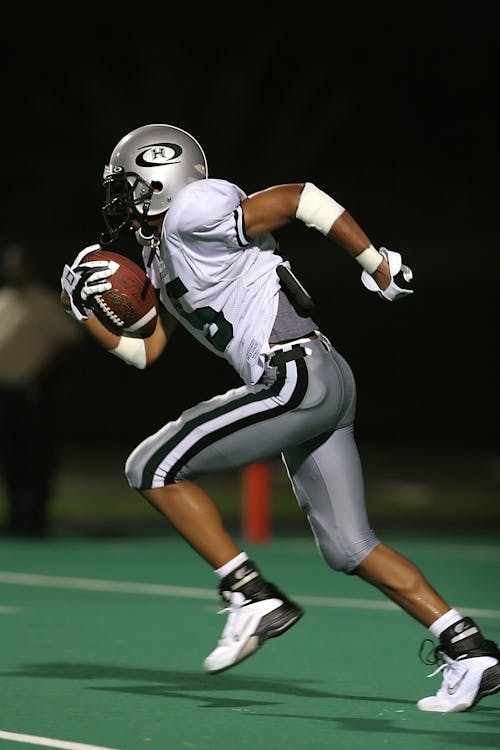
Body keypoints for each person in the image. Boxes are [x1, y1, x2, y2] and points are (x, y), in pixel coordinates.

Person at [60, 123, 499, 713]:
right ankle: (470, 651)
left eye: (129, 186)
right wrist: (84, 312)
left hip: (293, 373)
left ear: (163, 180)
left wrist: (376, 262)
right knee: (349, 546)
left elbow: (299, 199)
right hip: (320, 378)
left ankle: (250, 595)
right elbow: (146, 351)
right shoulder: (158, 255)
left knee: (153, 465)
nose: (119, 200)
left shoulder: (195, 208)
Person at [0, 243, 82, 536]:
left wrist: (41, 373)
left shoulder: (43, 301)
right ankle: (15, 515)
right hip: (5, 394)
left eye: (19, 264)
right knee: (11, 456)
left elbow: (68, 338)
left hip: (33, 394)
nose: (14, 270)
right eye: (10, 264)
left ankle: (36, 516)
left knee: (36, 455)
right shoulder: (4, 299)